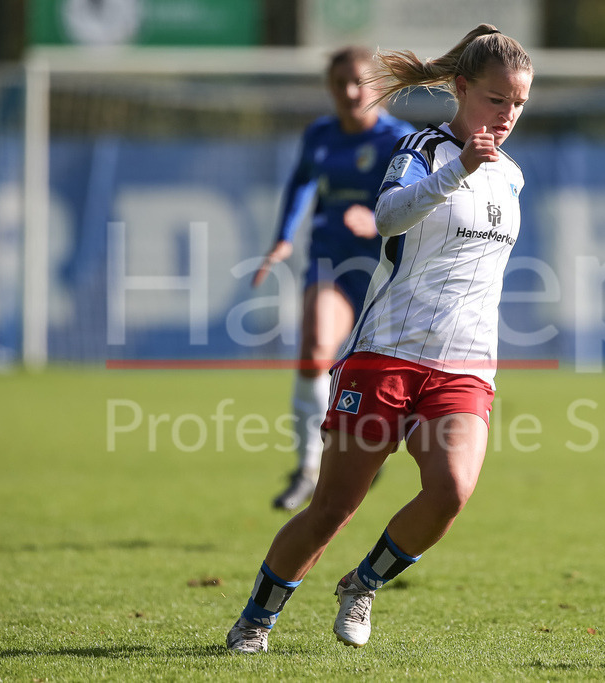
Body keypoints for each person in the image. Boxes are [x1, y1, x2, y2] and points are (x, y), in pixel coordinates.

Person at [226, 24, 534, 653]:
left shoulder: (513, 178)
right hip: (386, 357)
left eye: (519, 104)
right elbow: (387, 216)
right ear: (461, 89)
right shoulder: (421, 150)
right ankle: (256, 620)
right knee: (330, 510)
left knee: (451, 491)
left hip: (465, 368)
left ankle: (363, 583)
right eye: (496, 100)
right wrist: (457, 172)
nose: (506, 116)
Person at [254, 47, 415, 511]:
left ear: (379, 85)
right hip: (331, 262)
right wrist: (284, 237)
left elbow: (419, 201)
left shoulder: (399, 140)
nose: (350, 91)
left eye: (360, 81)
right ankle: (308, 467)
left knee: (387, 380)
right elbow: (302, 181)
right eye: (340, 82)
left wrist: (382, 219)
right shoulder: (320, 135)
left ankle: (367, 449)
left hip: (385, 272)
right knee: (314, 350)